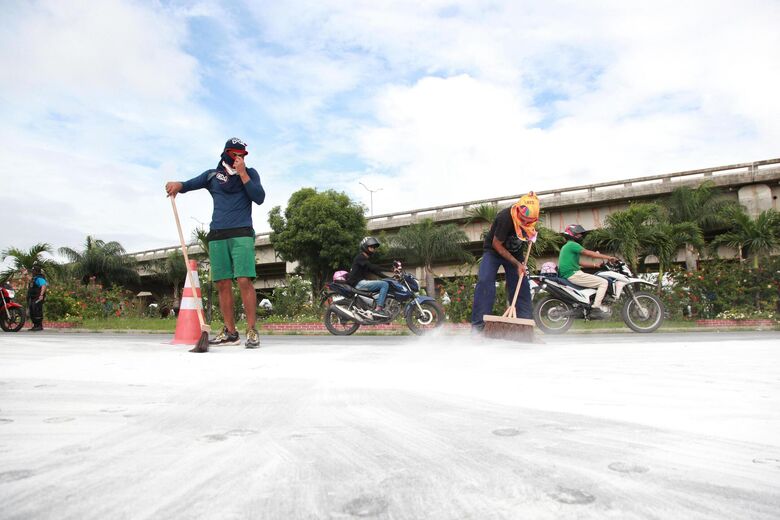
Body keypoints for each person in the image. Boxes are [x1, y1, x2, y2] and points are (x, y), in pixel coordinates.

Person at [165, 137, 265, 348]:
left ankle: (252, 330)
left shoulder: (251, 173)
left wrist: (243, 173)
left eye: (243, 155)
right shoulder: (212, 175)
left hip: (242, 233)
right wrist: (177, 185)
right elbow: (189, 184)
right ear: (226, 153)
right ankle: (231, 332)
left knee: (244, 280)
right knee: (222, 283)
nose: (239, 158)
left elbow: (259, 197)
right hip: (218, 235)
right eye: (235, 154)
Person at [471, 197, 537, 333]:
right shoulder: (505, 217)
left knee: (522, 286)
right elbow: (497, 244)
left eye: (528, 221)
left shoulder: (530, 220)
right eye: (523, 219)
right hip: (494, 251)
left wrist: (531, 237)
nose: (525, 222)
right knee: (485, 282)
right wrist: (517, 264)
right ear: (518, 210)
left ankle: (526, 331)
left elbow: (529, 235)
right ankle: (478, 329)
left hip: (515, 254)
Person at [557, 224, 618, 315]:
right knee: (603, 282)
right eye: (578, 234)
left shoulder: (567, 246)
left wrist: (594, 265)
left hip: (570, 274)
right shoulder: (572, 245)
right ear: (572, 234)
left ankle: (588, 304)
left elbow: (579, 263)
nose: (580, 236)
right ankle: (596, 307)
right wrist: (608, 258)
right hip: (573, 274)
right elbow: (589, 253)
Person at [346, 236, 393, 318]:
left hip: (360, 282)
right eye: (371, 247)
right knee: (384, 284)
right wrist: (391, 270)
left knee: (385, 282)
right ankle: (379, 309)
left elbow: (375, 271)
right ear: (365, 247)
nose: (373, 249)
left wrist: (389, 278)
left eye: (374, 247)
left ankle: (376, 307)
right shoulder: (360, 257)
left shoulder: (364, 259)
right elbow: (373, 267)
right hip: (358, 283)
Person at [27, 264, 47, 331]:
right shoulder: (34, 278)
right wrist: (25, 274)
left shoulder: (40, 278)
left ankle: (39, 326)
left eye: (33, 271)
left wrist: (41, 295)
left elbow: (43, 286)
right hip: (33, 297)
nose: (32, 272)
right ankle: (35, 325)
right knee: (32, 310)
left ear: (36, 271)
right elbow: (29, 279)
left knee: (37, 310)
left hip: (38, 297)